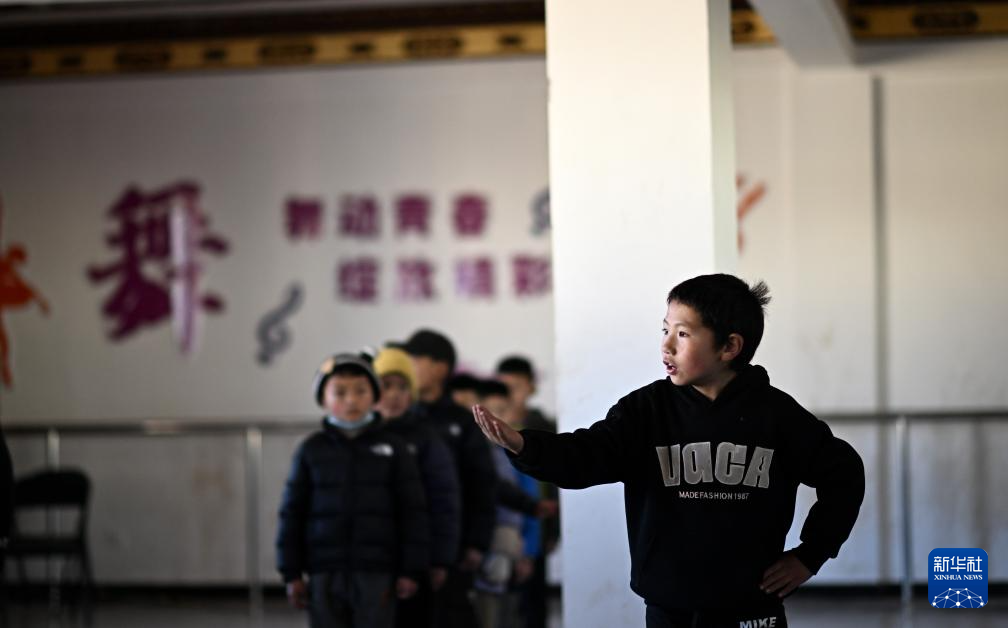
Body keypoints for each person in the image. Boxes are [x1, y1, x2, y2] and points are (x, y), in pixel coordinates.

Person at [473, 274, 866, 628]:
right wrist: (524, 444)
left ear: (729, 346)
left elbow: (844, 474)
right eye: (665, 329)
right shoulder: (646, 411)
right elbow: (586, 455)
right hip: (669, 607)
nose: (666, 345)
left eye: (683, 333)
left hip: (752, 605)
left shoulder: (776, 415)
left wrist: (810, 555)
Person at [277, 352, 429, 628]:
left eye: (361, 391)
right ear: (323, 400)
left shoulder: (393, 448)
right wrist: (291, 572)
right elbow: (292, 513)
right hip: (323, 569)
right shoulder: (311, 450)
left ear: (374, 396)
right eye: (340, 392)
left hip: (377, 570)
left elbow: (413, 512)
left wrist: (411, 569)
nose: (351, 400)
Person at [391, 329, 497, 628]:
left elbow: (482, 484)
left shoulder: (462, 422)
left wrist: (476, 542)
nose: (408, 367)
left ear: (440, 368)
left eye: (415, 359)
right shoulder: (401, 419)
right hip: (406, 548)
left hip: (454, 548)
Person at [373, 346, 461, 628]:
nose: (394, 394)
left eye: (402, 387)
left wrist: (441, 559)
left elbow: (444, 502)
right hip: (369, 562)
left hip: (416, 560)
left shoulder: (427, 439)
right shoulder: (360, 438)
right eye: (386, 385)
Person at [494, 356, 558, 628]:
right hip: (499, 530)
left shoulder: (545, 428)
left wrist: (553, 530)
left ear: (531, 387)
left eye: (516, 386)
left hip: (537, 526)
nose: (510, 394)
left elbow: (556, 486)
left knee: (532, 603)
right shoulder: (490, 429)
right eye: (503, 387)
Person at [472, 380, 542, 628]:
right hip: (481, 545)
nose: (496, 419)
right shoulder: (473, 453)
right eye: (489, 412)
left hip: (512, 545)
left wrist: (528, 552)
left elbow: (532, 505)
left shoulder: (517, 454)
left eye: (502, 411)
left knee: (508, 610)